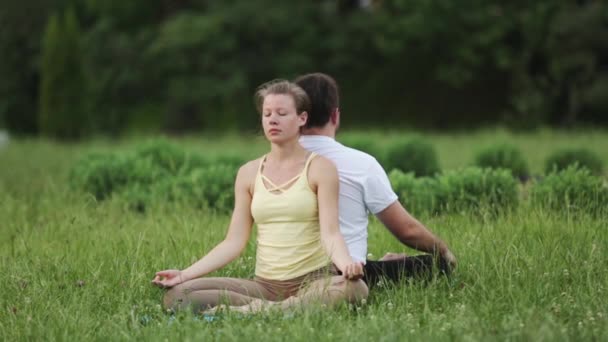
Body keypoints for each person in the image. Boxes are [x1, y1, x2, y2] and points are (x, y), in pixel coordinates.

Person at [152, 80, 368, 314]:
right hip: (264, 286)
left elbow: (331, 233)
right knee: (177, 295)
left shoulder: (320, 168)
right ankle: (273, 309)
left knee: (355, 289)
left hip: (314, 282)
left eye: (282, 113)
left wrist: (347, 265)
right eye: (267, 114)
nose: (272, 119)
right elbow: (233, 242)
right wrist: (184, 274)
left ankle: (253, 311)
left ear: (302, 118)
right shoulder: (248, 173)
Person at [294, 73, 457, 287]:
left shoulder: (273, 164)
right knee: (438, 265)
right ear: (335, 116)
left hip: (284, 273)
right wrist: (443, 249)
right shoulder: (361, 164)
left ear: (297, 116)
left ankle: (380, 265)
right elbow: (406, 230)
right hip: (344, 273)